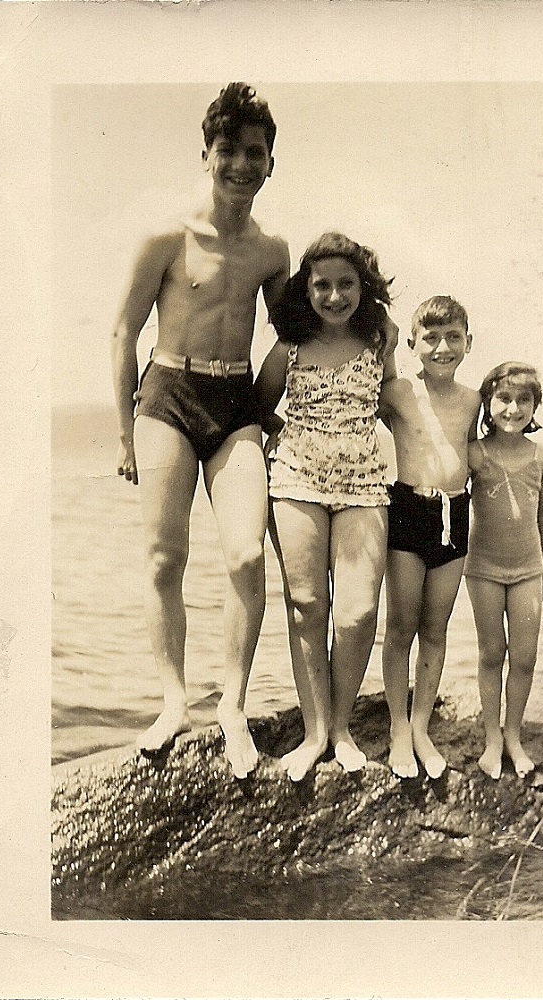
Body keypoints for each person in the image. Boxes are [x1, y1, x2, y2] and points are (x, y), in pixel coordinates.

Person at [110, 83, 291, 778]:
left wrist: (273, 409)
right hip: (166, 396)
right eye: (228, 151)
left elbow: (296, 334)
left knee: (246, 556)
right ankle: (173, 700)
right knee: (164, 560)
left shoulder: (271, 251)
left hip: (235, 399)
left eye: (255, 153)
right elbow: (124, 330)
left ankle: (234, 707)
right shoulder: (165, 236)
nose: (241, 165)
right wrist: (122, 432)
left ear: (271, 163)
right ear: (206, 155)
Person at [255, 232, 395, 781]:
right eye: (322, 285)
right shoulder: (288, 345)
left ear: (364, 287)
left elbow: (394, 398)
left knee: (358, 613)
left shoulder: (382, 336)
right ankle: (316, 733)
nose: (334, 296)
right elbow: (260, 405)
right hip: (295, 480)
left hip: (364, 481)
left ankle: (342, 727)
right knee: (307, 605)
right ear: (305, 288)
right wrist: (295, 438)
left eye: (345, 284)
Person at [378, 296, 481, 779]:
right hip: (408, 509)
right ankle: (398, 726)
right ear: (416, 343)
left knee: (435, 629)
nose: (443, 347)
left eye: (453, 337)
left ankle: (421, 727)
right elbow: (363, 393)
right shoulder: (398, 391)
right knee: (400, 626)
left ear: (468, 342)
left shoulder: (473, 399)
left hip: (455, 512)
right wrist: (390, 340)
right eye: (432, 338)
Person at [464, 362, 543, 779]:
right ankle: (491, 740)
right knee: (490, 652)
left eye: (524, 400)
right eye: (503, 398)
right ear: (488, 402)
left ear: (535, 406)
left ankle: (513, 734)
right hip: (482, 567)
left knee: (525, 656)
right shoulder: (475, 453)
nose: (513, 409)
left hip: (527, 570)